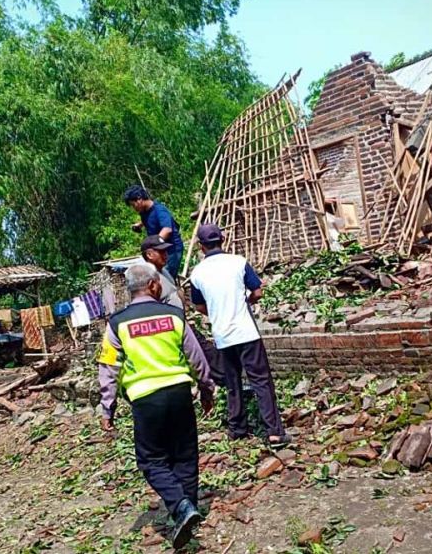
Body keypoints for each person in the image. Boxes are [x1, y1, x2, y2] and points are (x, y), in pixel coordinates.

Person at [98, 264, 215, 549]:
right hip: (178, 393)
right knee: (185, 455)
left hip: (144, 397)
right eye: (159, 282)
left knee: (151, 460)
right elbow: (195, 355)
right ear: (151, 285)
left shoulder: (117, 323)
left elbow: (109, 366)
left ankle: (181, 508)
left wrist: (107, 407)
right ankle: (186, 510)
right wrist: (207, 387)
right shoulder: (173, 315)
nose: (162, 285)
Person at [188, 224, 290, 448]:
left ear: (201, 246)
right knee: (261, 381)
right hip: (246, 331)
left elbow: (198, 306)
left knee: (233, 383)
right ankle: (274, 432)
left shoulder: (197, 273)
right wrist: (245, 302)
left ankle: (237, 429)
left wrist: (215, 311)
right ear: (222, 240)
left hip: (223, 336)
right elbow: (258, 291)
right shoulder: (238, 262)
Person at [141, 235, 227, 387]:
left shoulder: (164, 272)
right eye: (161, 252)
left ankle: (226, 384)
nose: (166, 255)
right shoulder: (147, 277)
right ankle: (222, 384)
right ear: (149, 254)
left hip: (181, 324)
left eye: (166, 251)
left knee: (207, 353)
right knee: (204, 354)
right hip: (168, 329)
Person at [124, 185, 185, 279]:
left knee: (166, 278)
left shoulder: (159, 210)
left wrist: (152, 246)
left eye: (133, 205)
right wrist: (139, 225)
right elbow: (150, 219)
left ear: (139, 199)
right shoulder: (144, 212)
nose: (133, 208)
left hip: (172, 250)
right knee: (159, 276)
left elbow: (167, 230)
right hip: (159, 250)